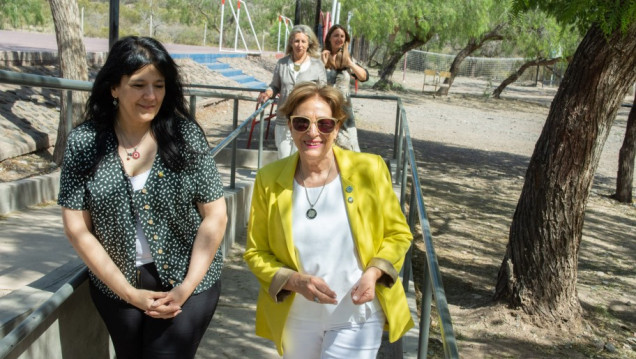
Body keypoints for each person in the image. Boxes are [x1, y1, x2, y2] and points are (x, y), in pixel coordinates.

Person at [58, 36, 227, 359]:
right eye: (138, 85)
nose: (151, 96)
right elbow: (77, 228)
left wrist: (185, 288)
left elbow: (216, 216)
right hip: (117, 285)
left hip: (189, 280)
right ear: (114, 88)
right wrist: (129, 293)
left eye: (159, 85)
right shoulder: (85, 142)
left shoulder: (185, 136)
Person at [244, 82, 414, 358]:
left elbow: (398, 234)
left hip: (357, 317)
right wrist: (294, 281)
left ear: (337, 127)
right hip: (296, 319)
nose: (312, 132)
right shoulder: (268, 179)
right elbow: (256, 252)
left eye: (324, 124)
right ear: (290, 126)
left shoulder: (369, 169)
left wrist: (374, 273)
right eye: (301, 123)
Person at [257, 24, 326, 159]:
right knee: (283, 158)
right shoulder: (282, 64)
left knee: (300, 159)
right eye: (296, 41)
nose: (299, 45)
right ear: (291, 42)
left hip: (306, 121)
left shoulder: (317, 65)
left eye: (303, 41)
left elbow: (323, 92)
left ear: (309, 43)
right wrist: (267, 93)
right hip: (284, 119)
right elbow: (274, 86)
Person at [321, 24, 369, 152]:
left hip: (345, 112)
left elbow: (364, 76)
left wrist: (350, 64)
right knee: (328, 148)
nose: (339, 38)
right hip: (326, 110)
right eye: (336, 35)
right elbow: (316, 83)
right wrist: (323, 64)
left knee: (351, 148)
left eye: (342, 36)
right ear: (329, 39)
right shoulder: (321, 57)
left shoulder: (348, 58)